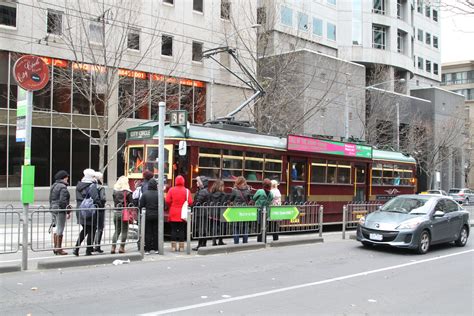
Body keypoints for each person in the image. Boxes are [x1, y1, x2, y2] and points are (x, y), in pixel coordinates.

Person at [74, 168, 101, 256]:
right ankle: (88, 250)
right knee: (92, 229)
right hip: (89, 210)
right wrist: (100, 205)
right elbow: (95, 198)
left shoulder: (79, 185)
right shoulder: (92, 185)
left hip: (80, 210)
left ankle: (76, 248)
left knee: (85, 229)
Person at [166, 175, 193, 252]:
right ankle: (181, 247)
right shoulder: (187, 191)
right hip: (183, 214)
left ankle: (173, 247)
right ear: (183, 182)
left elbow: (167, 200)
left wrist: (172, 205)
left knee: (173, 230)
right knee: (182, 230)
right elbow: (190, 202)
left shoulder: (171, 190)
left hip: (173, 212)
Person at [49, 170, 71, 255]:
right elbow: (63, 201)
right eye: (67, 177)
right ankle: (59, 248)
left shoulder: (54, 186)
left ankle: (56, 247)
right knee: (60, 228)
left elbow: (51, 198)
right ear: (64, 178)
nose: (67, 178)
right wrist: (67, 211)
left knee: (57, 227)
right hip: (60, 209)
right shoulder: (63, 187)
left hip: (53, 208)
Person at [112, 176, 134, 254]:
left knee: (117, 231)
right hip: (124, 213)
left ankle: (113, 247)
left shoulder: (115, 191)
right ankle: (122, 247)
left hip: (116, 213)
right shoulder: (128, 192)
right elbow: (131, 204)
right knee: (124, 230)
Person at [228, 176, 252, 244]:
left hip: (236, 211)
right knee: (245, 227)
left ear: (237, 182)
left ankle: (236, 243)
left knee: (236, 227)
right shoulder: (248, 191)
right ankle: (245, 242)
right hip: (245, 211)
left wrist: (231, 204)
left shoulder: (234, 191)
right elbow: (250, 201)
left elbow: (230, 200)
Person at [139, 178, 159, 254]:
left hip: (147, 215)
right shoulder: (159, 194)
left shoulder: (145, 194)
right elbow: (163, 205)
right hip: (157, 215)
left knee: (148, 232)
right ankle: (156, 248)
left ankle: (147, 249)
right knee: (156, 232)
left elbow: (141, 205)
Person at [192, 176, 210, 251]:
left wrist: (192, 205)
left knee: (201, 229)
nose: (196, 183)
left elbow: (197, 202)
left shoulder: (202, 191)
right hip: (203, 212)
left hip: (201, 213)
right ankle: (203, 244)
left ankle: (200, 245)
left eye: (198, 182)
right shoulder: (204, 190)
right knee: (203, 229)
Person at [208, 179, 227, 246]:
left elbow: (208, 203)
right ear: (220, 186)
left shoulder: (211, 194)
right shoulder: (223, 194)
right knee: (221, 227)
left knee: (214, 226)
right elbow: (223, 204)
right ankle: (220, 241)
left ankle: (214, 242)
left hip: (212, 212)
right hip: (221, 212)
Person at [93, 171, 107, 253]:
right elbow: (103, 198)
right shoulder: (101, 187)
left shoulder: (92, 186)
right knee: (100, 227)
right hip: (100, 209)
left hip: (93, 209)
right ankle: (97, 245)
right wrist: (102, 204)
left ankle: (92, 245)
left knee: (94, 227)